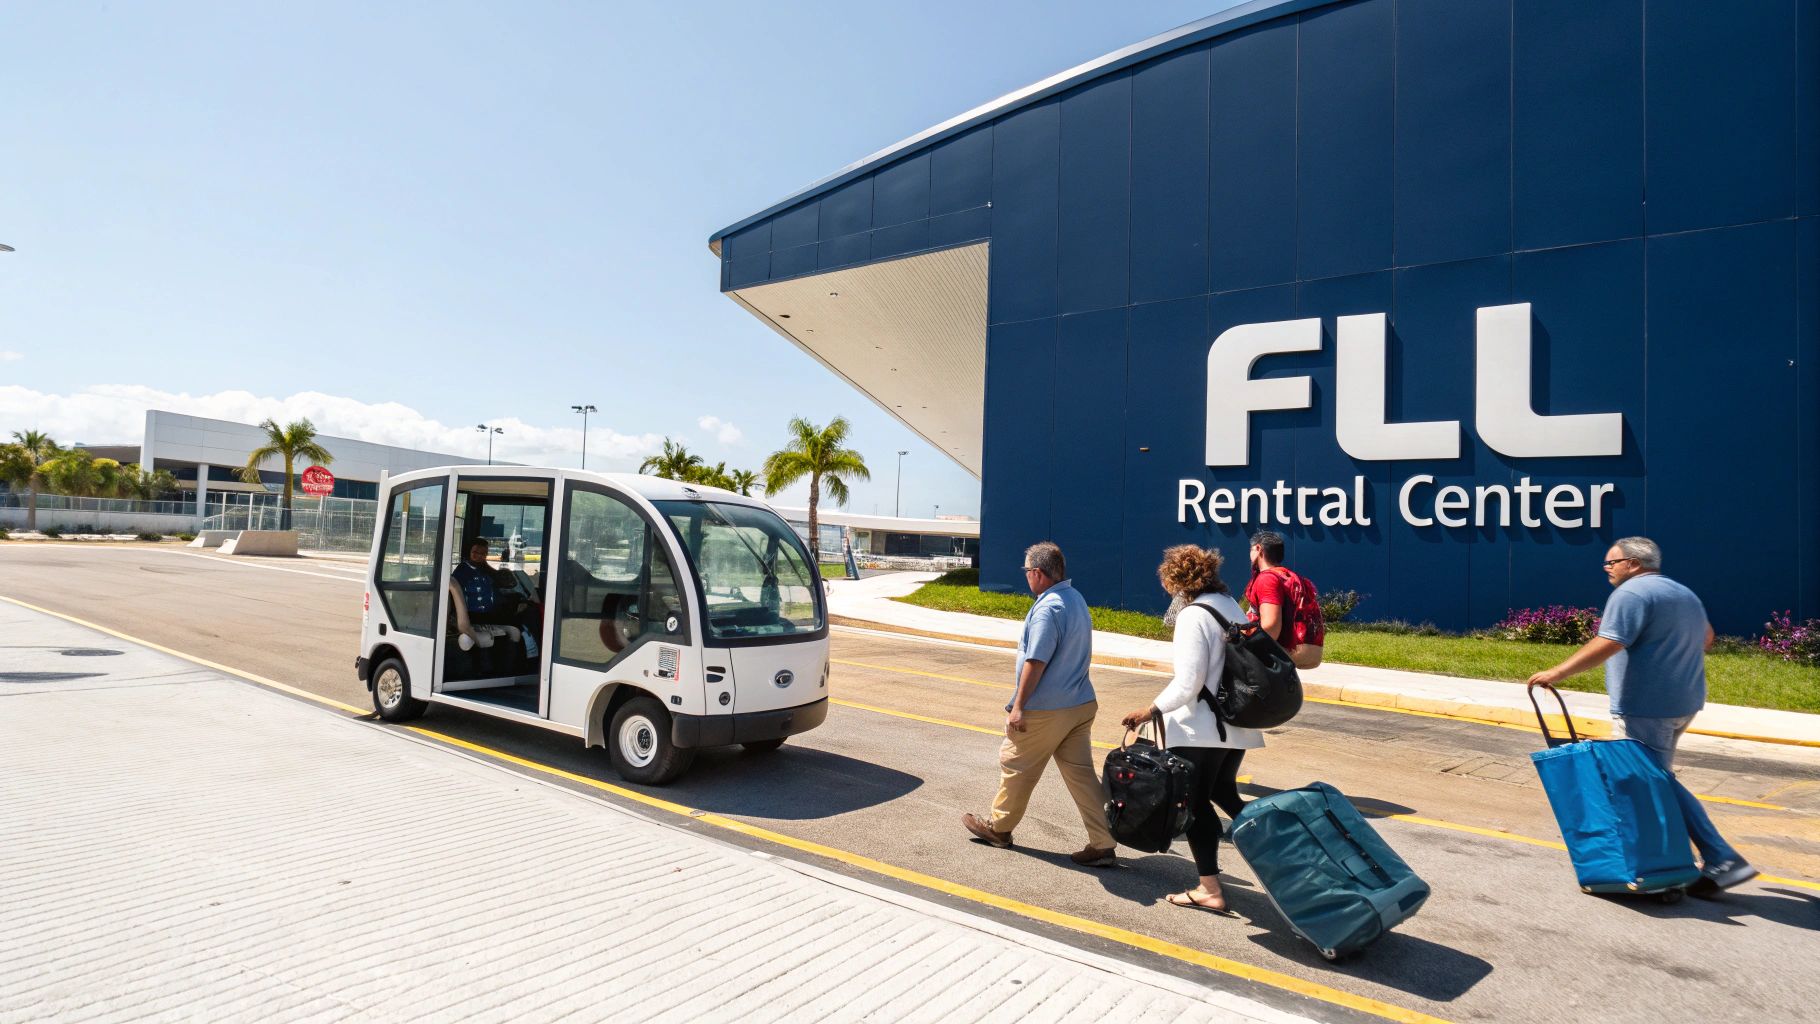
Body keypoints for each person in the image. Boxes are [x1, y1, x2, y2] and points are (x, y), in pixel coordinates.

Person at [1526, 536, 1757, 897]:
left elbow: (1609, 641)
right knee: (1656, 779)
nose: (1607, 570)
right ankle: (1684, 860)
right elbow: (1707, 638)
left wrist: (1558, 673)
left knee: (1654, 782)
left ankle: (1716, 858)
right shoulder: (1682, 593)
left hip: (1645, 706)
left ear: (1633, 563)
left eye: (1610, 563)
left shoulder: (1631, 594)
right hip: (1684, 701)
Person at [1120, 545, 1263, 912]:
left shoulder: (1193, 615)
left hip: (1202, 729)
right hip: (1236, 726)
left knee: (1195, 805)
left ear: (1176, 581)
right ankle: (1281, 855)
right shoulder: (1230, 606)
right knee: (1224, 794)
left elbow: (1189, 682)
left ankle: (1210, 889)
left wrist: (1148, 710)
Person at [962, 542, 1119, 867]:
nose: (1026, 577)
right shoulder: (1075, 599)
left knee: (1016, 765)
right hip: (1080, 703)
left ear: (1037, 573)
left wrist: (1018, 705)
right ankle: (1103, 842)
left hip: (1048, 708)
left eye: (1027, 572)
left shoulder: (1048, 609)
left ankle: (1000, 829)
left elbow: (1036, 660)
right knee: (1081, 774)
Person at [1243, 530, 1323, 669]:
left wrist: (1242, 643)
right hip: (1296, 649)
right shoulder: (1287, 575)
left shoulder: (1267, 579)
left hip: (1271, 658)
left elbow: (1271, 627)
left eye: (1251, 549)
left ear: (1258, 549)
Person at [450, 538, 541, 659]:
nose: (479, 556)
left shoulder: (484, 570)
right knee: (522, 619)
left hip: (491, 612)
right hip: (475, 616)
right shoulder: (461, 573)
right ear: (468, 552)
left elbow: (496, 591)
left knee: (528, 611)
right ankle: (529, 652)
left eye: (483, 553)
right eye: (476, 552)